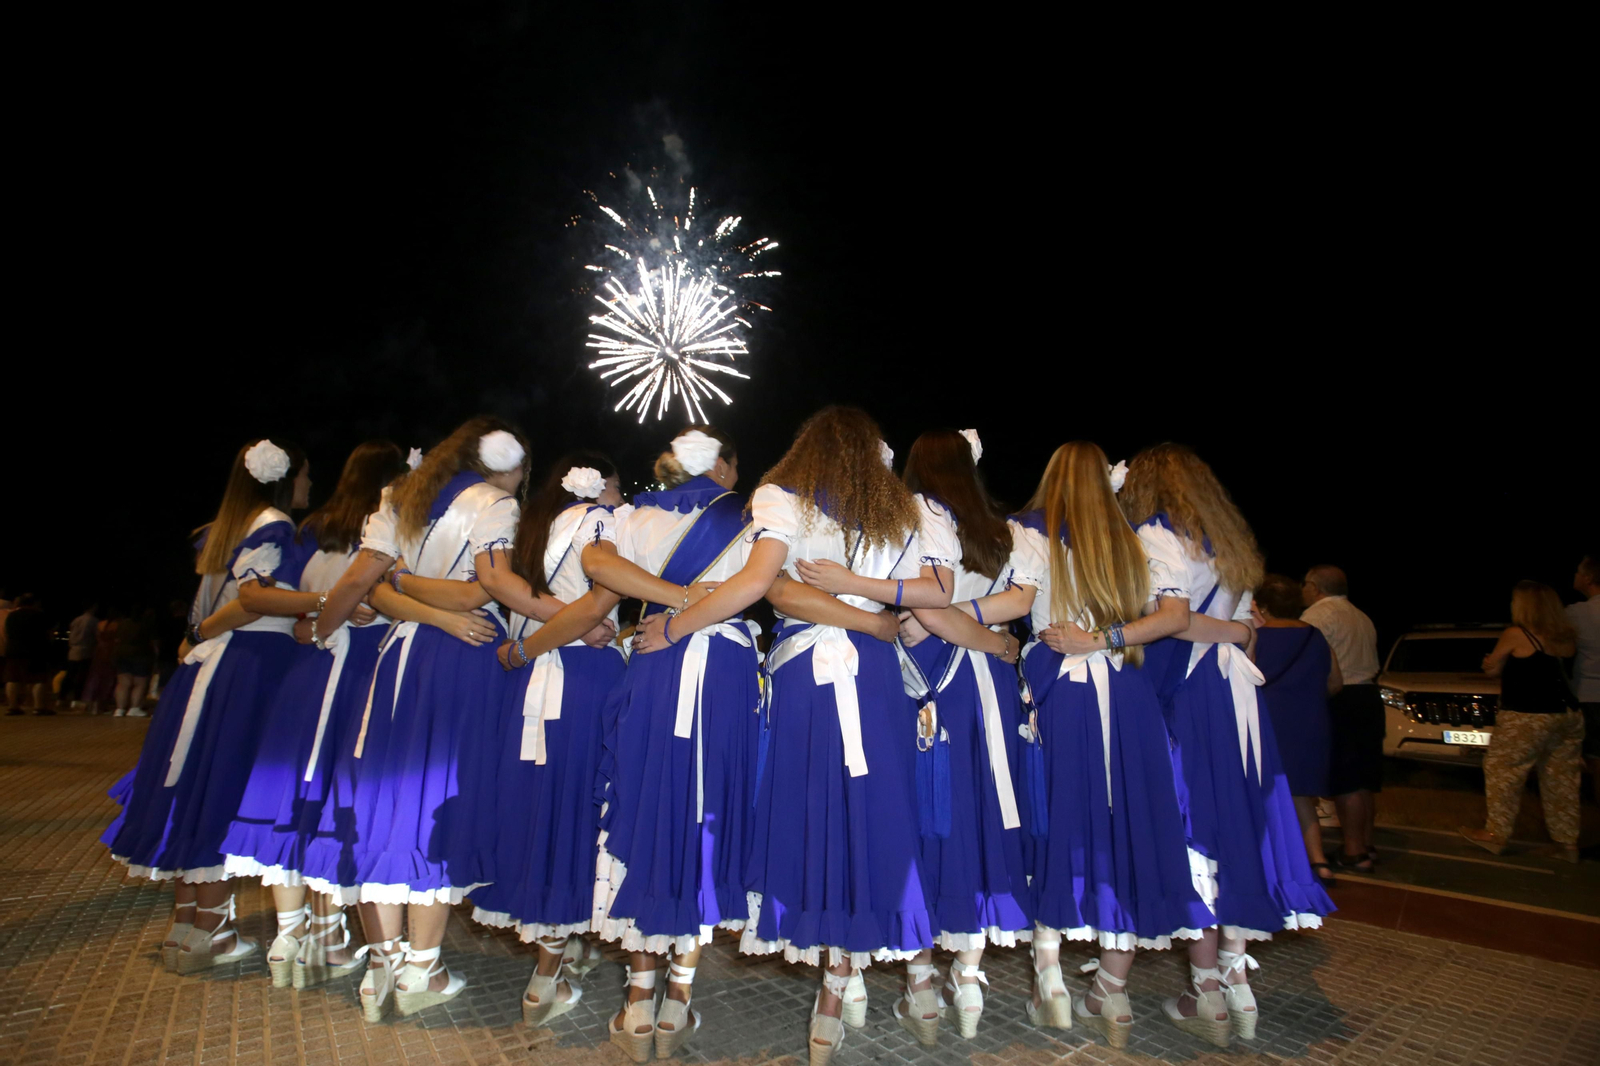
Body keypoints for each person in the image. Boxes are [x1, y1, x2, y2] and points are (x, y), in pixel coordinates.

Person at [628, 407, 944, 1066]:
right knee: (873, 817)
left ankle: (831, 993)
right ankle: (840, 989)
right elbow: (929, 592)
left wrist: (676, 626)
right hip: (874, 674)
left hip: (808, 676)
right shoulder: (901, 511)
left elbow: (770, 590)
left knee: (819, 819)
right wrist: (874, 617)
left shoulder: (783, 498)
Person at [958, 442, 1216, 1050]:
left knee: (1058, 822)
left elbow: (1018, 604)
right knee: (1123, 822)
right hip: (1128, 690)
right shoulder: (1141, 537)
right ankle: (1114, 992)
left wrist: (946, 606)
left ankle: (1050, 977)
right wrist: (1106, 637)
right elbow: (1176, 616)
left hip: (1062, 691)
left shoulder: (1031, 533)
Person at [217, 440, 462, 991]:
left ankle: (293, 935)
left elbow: (290, 607)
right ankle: (360, 947)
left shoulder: (310, 530)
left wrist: (320, 620)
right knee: (347, 809)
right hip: (367, 676)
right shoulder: (392, 530)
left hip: (309, 674)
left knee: (301, 801)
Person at [306, 416, 529, 1021]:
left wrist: (318, 630)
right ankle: (421, 969)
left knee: (381, 800)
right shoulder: (496, 505)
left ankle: (382, 964)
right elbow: (478, 595)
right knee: (437, 802)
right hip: (462, 662)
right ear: (506, 463)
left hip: (397, 655)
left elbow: (364, 585)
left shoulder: (398, 499)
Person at [1117, 443, 1333, 1048]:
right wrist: (1236, 630)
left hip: (1180, 691)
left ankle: (1207, 989)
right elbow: (1246, 636)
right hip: (1234, 694)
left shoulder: (1155, 537)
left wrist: (1110, 636)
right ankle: (1235, 983)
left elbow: (1174, 618)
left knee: (1195, 829)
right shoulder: (1228, 543)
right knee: (1237, 823)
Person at [101, 438, 311, 975]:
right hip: (247, 669)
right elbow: (254, 598)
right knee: (221, 790)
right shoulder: (272, 525)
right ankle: (211, 925)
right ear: (286, 480)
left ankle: (189, 925)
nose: (310, 484)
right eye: (306, 475)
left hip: (204, 666)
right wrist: (327, 601)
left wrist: (196, 633)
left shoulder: (221, 528)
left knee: (192, 787)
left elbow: (209, 611)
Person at [465, 452, 630, 1030]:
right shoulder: (600, 520)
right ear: (599, 484)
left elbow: (509, 589)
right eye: (617, 483)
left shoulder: (534, 525)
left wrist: (534, 641)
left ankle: (559, 952)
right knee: (576, 812)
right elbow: (603, 591)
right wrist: (589, 619)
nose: (620, 494)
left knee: (539, 807)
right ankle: (548, 971)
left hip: (530, 679)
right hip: (581, 680)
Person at [888, 428, 1030, 1043]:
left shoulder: (901, 520)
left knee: (914, 812)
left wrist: (936, 620)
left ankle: (920, 984)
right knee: (977, 813)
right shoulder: (1009, 532)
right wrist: (987, 633)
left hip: (914, 678)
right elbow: (1022, 601)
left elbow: (912, 604)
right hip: (984, 682)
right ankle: (966, 976)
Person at [1462, 581, 1582, 862]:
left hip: (1527, 715)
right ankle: (1567, 844)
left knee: (1503, 770)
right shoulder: (1566, 637)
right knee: (1561, 778)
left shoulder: (1517, 634)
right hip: (1567, 715)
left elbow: (1493, 670)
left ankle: (1496, 834)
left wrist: (1489, 663)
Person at [1252, 575, 1341, 887]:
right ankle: (1319, 862)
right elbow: (1335, 683)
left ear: (1261, 606)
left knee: (1263, 793)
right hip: (1310, 724)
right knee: (1303, 796)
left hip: (1268, 724)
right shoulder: (1315, 637)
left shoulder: (1255, 637)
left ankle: (1271, 863)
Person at [1301, 565, 1383, 872]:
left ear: (1315, 587)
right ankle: (1365, 843)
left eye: (1305, 585)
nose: (1302, 591)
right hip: (1368, 697)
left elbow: (1305, 657)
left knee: (1346, 777)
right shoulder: (1362, 616)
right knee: (1364, 778)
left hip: (1342, 697)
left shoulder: (1318, 616)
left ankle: (1353, 852)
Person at [1568, 554, 1600, 802]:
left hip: (1591, 695)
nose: (1575, 576)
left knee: (1595, 757)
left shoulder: (1578, 613)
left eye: (1579, 571)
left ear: (1588, 577)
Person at [4, 594, 54, 715]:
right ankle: (39, 707)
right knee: (39, 680)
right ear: (34, 603)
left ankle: (13, 706)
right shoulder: (39, 615)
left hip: (13, 650)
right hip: (35, 651)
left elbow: (7, 633)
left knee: (13, 679)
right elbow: (48, 634)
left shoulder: (11, 615)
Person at [111, 605, 159, 718]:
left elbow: (116, 639)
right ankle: (134, 708)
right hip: (140, 654)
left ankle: (119, 709)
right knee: (140, 683)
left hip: (121, 654)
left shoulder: (123, 624)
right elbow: (155, 643)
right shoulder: (147, 624)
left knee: (123, 683)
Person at [64, 602, 101, 708]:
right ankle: (76, 698)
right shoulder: (93, 621)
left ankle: (62, 697)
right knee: (81, 676)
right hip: (86, 651)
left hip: (73, 650)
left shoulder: (76, 620)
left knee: (70, 675)